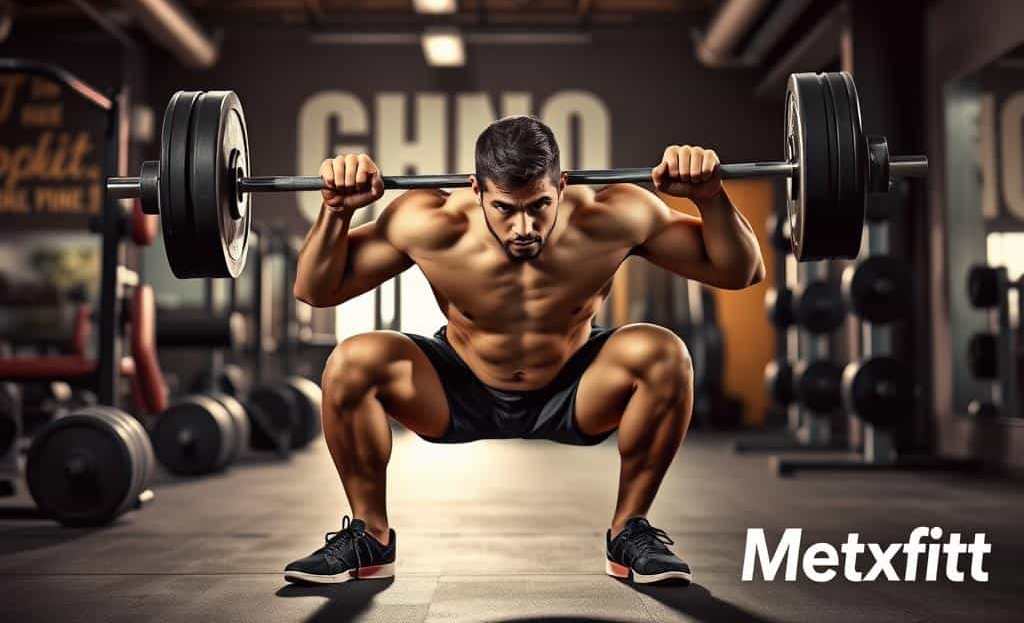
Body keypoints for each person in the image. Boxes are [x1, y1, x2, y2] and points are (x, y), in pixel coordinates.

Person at [285, 116, 765, 586]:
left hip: (575, 387)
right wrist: (336, 210)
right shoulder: (429, 223)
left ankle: (629, 531)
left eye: (538, 205)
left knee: (664, 353)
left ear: (562, 185)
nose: (523, 227)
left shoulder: (614, 216)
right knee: (352, 361)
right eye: (504, 208)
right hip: (458, 389)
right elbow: (315, 290)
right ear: (476, 189)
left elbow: (739, 272)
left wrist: (710, 197)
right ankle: (370, 536)